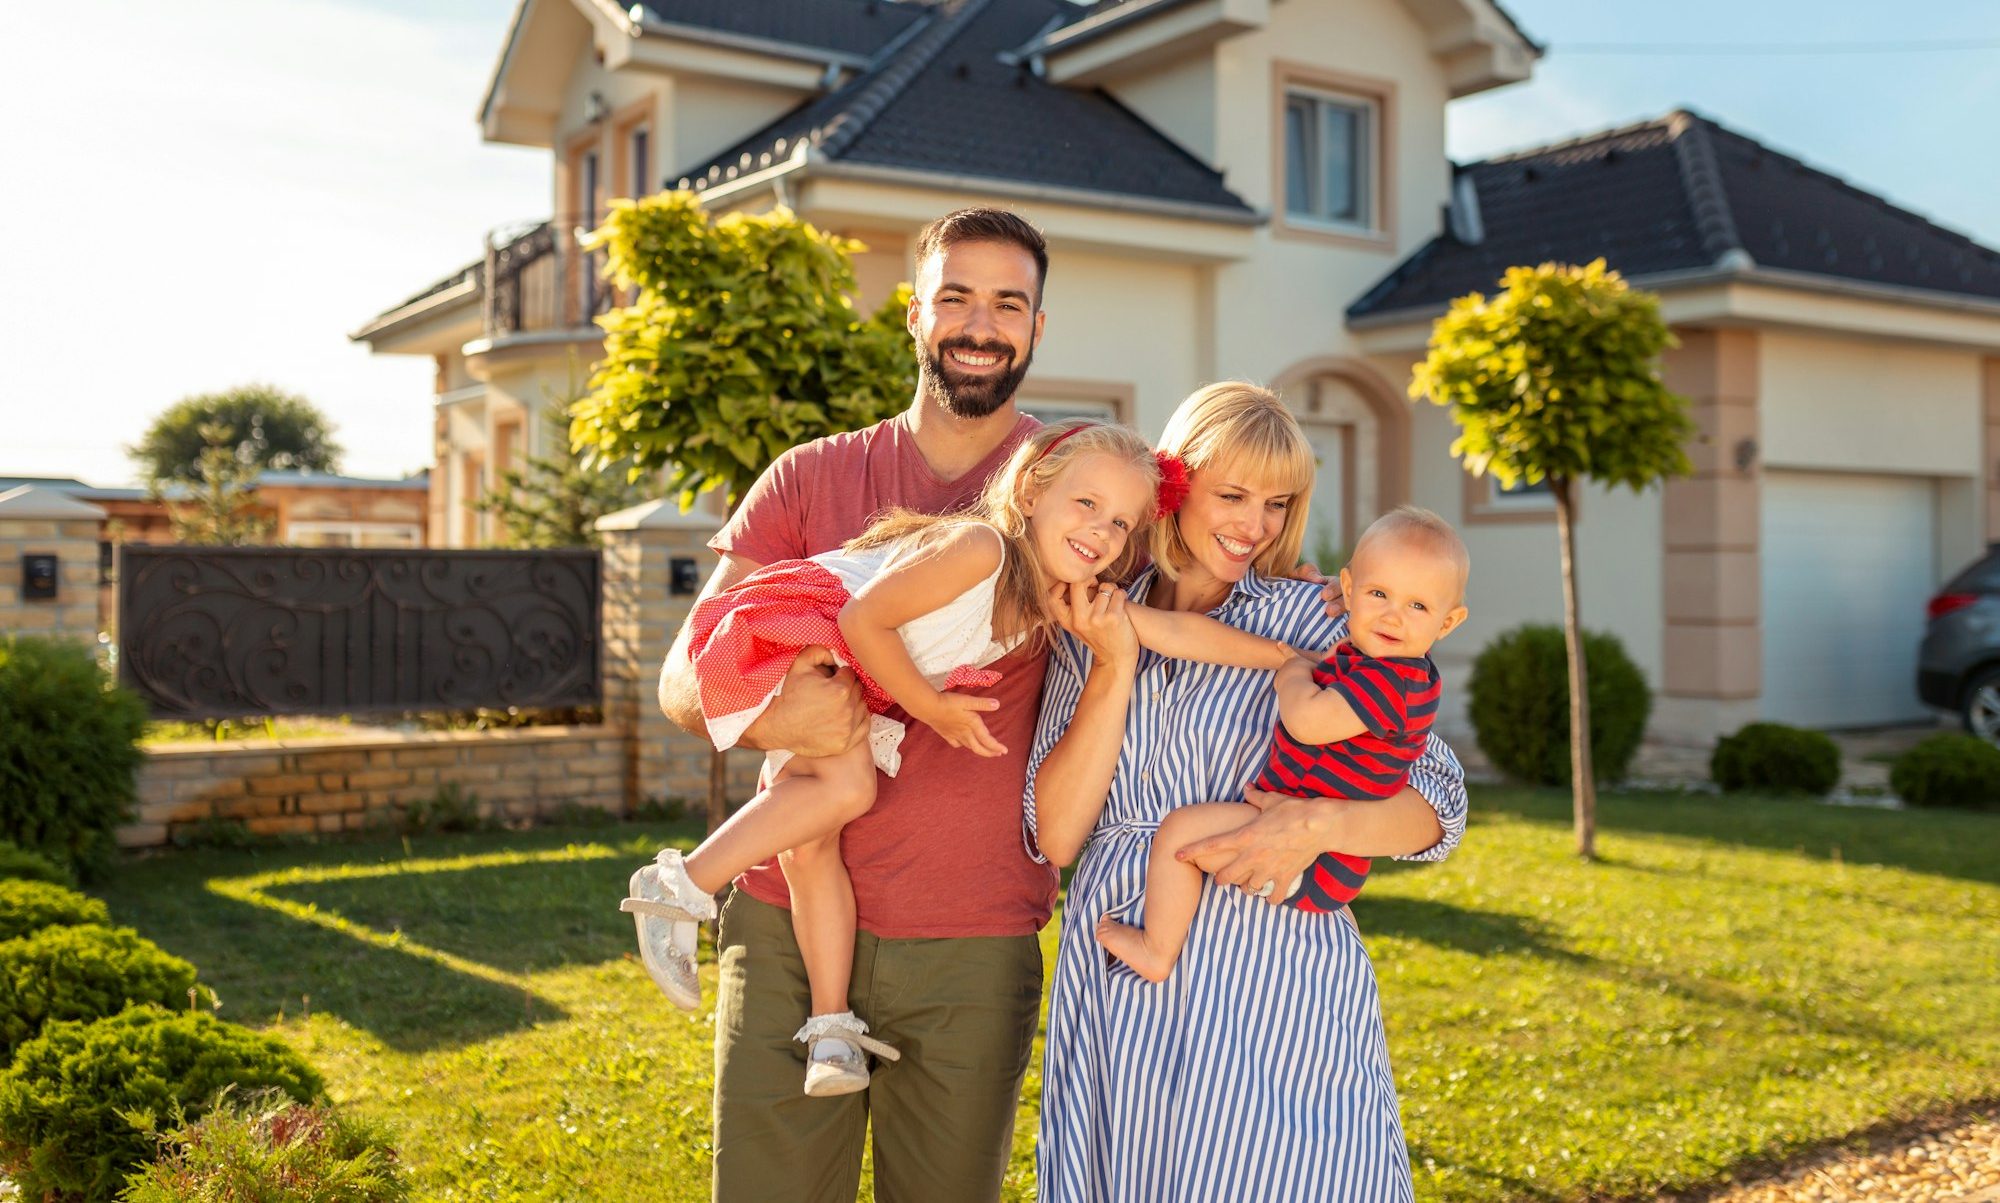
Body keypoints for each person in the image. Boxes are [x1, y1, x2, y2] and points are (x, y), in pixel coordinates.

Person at [625, 418, 1291, 1098]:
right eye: (1086, 504)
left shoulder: (1051, 597)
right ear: (1031, 491)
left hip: (852, 668)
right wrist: (934, 707)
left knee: (813, 840)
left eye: (1122, 523)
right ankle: (680, 886)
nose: (1101, 531)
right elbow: (860, 620)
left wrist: (1291, 657)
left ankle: (830, 1028)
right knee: (843, 794)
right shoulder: (981, 549)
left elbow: (1172, 631)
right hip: (805, 631)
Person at [1027, 381, 1469, 1201]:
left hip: (1269, 972)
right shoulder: (1091, 620)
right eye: (1231, 494)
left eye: (1278, 502)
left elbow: (1440, 806)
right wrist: (1115, 663)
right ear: (1174, 485)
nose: (1255, 524)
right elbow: (1055, 837)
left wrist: (1319, 822)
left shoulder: (1319, 617)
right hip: (1123, 956)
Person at [1093, 503, 1471, 982]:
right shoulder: (1368, 659)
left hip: (1319, 859)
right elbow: (1187, 634)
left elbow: (1309, 723)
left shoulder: (1397, 678)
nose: (1394, 617)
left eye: (1418, 606)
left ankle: (1156, 949)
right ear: (1350, 588)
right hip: (1295, 829)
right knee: (1187, 839)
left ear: (1448, 622)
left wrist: (1292, 673)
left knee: (1179, 835)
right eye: (1379, 594)